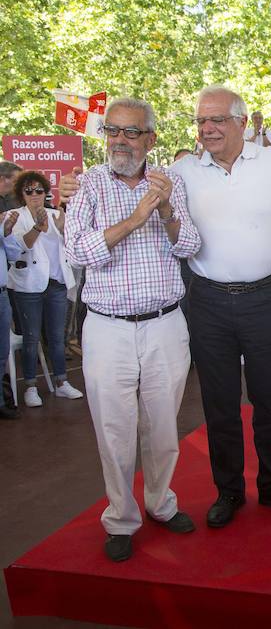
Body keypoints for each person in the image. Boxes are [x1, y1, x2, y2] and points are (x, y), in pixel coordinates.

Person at [63, 96, 201, 562]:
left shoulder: (170, 182)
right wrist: (136, 218)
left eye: (130, 132)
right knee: (114, 430)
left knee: (162, 426)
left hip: (165, 323)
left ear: (151, 139)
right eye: (112, 131)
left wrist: (162, 212)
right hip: (107, 329)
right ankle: (121, 518)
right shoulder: (88, 186)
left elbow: (190, 245)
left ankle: (161, 503)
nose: (119, 140)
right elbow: (79, 251)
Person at [172, 86, 271, 528]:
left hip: (266, 298)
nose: (206, 129)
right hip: (208, 300)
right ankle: (229, 490)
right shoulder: (182, 171)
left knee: (269, 399)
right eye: (200, 122)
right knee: (219, 402)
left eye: (216, 120)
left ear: (241, 121)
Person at [7, 171, 83, 406]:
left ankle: (62, 382)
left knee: (57, 337)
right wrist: (38, 228)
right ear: (21, 194)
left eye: (38, 190)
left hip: (56, 284)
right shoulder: (14, 217)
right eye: (28, 191)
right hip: (27, 286)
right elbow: (21, 247)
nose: (34, 195)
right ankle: (30, 386)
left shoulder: (55, 214)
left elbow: (72, 245)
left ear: (45, 192)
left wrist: (61, 229)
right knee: (31, 338)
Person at [0, 208, 22, 419]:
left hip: (2, 295)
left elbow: (15, 255)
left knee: (2, 353)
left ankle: (1, 401)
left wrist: (6, 232)